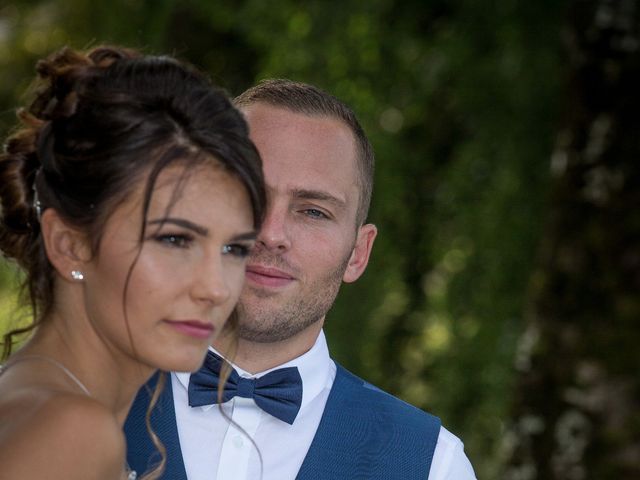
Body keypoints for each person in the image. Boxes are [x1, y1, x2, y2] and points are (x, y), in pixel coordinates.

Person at [125, 79, 476, 479]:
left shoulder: (432, 465)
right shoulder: (68, 408)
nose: (271, 234)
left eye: (313, 212)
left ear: (358, 254)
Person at [0, 45, 265, 480]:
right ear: (70, 246)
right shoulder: (71, 434)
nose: (215, 288)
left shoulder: (36, 404)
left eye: (235, 249)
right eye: (175, 239)